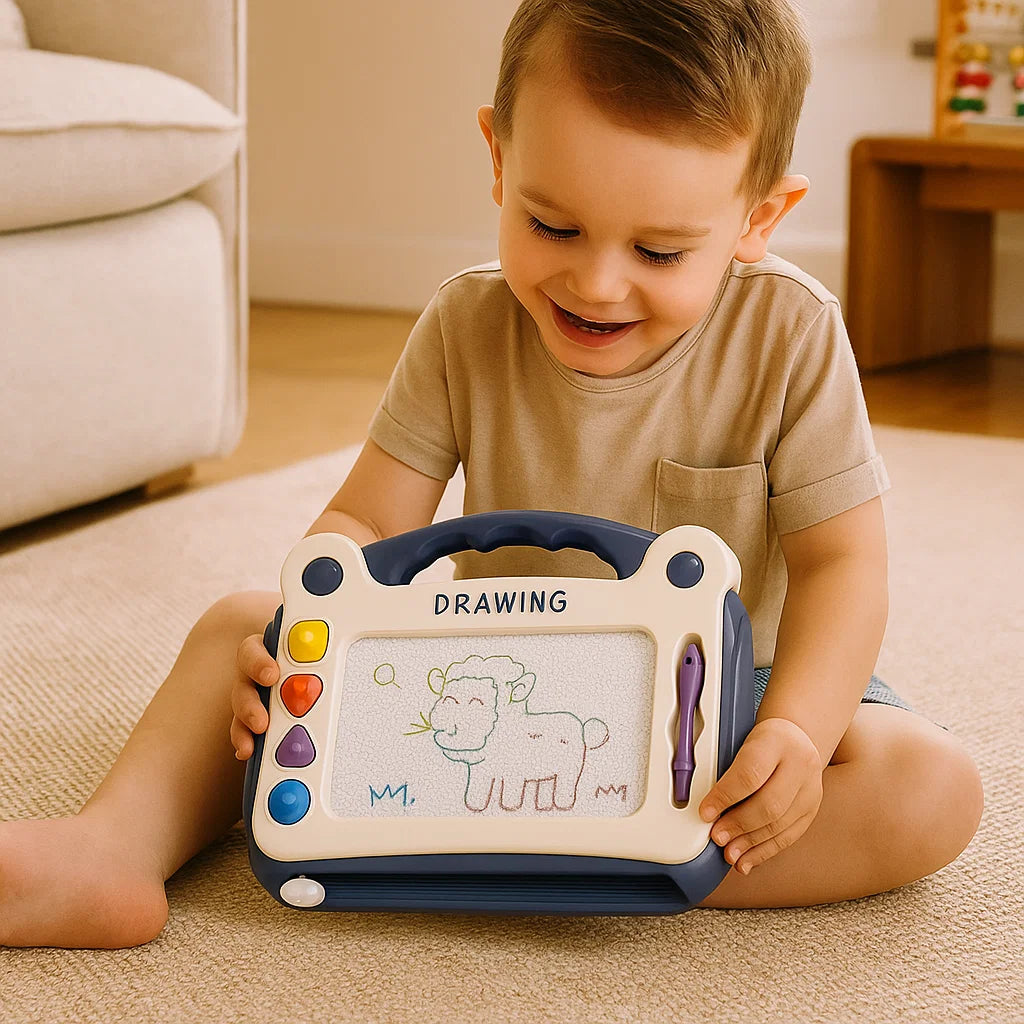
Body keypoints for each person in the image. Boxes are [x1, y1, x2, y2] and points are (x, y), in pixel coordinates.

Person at [0, 0, 983, 949]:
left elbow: (842, 565)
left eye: (658, 250)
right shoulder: (463, 324)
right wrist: (307, 630)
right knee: (237, 632)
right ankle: (112, 850)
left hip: (719, 701)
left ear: (758, 218)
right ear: (500, 161)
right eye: (553, 227)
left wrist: (798, 735)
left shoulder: (791, 332)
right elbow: (364, 524)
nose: (596, 283)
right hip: (487, 689)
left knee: (931, 785)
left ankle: (629, 857)